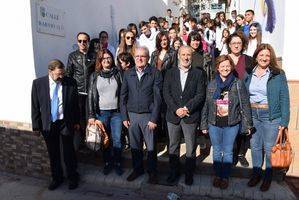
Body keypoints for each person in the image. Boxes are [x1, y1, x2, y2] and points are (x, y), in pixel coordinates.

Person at [201, 55, 253, 190]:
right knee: (217, 151)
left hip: (232, 124)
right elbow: (206, 105)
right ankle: (217, 175)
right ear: (217, 68)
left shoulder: (237, 83)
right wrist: (204, 124)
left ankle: (225, 177)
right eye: (222, 66)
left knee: (228, 151)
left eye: (227, 66)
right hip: (214, 123)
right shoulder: (212, 84)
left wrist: (248, 124)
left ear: (231, 67)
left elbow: (245, 104)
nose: (225, 68)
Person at [247, 44, 290, 192]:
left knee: (269, 148)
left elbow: (284, 97)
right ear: (256, 56)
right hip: (253, 114)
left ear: (270, 57)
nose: (264, 58)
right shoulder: (249, 73)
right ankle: (256, 174)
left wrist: (284, 121)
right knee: (255, 147)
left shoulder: (278, 73)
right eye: (261, 55)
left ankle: (267, 177)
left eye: (267, 55)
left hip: (270, 116)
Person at [31, 59, 80, 190]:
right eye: (59, 74)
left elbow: (75, 104)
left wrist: (76, 121)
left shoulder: (70, 82)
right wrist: (36, 126)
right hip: (49, 124)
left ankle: (72, 177)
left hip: (65, 122)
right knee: (53, 153)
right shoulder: (38, 84)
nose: (61, 76)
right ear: (50, 71)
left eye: (62, 73)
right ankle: (56, 178)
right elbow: (35, 106)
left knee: (69, 152)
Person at [163, 45, 206, 185]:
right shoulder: (170, 73)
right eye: (183, 55)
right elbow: (166, 93)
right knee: (173, 147)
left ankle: (189, 173)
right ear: (178, 56)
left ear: (192, 57)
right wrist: (176, 109)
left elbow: (200, 94)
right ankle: (173, 172)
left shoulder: (198, 74)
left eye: (189, 55)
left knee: (190, 147)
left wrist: (187, 108)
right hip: (173, 116)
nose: (186, 57)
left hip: (190, 116)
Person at [120, 46, 163, 184]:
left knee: (150, 148)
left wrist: (154, 118)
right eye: (137, 56)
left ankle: (152, 173)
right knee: (134, 146)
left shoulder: (155, 73)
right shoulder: (128, 74)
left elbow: (158, 98)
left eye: (142, 56)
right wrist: (124, 117)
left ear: (148, 58)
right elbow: (123, 96)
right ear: (134, 58)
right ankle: (137, 169)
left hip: (148, 117)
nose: (139, 58)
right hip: (132, 116)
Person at [88, 49, 123, 176]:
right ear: (100, 61)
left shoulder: (118, 73)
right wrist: (91, 115)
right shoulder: (94, 75)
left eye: (108, 57)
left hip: (117, 113)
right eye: (103, 58)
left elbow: (123, 93)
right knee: (105, 140)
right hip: (101, 113)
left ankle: (118, 163)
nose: (106, 60)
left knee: (117, 139)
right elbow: (91, 96)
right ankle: (108, 163)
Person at [226, 31, 254, 167]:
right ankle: (232, 152)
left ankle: (241, 153)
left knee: (243, 127)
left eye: (239, 43)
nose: (236, 45)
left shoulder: (248, 59)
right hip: (229, 99)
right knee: (231, 127)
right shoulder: (225, 59)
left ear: (243, 45)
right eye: (233, 43)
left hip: (245, 98)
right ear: (229, 45)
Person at [66, 32, 95, 146]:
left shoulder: (94, 55)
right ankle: (81, 139)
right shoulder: (72, 56)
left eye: (85, 41)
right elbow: (69, 73)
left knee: (90, 116)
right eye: (80, 41)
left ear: (88, 42)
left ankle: (91, 140)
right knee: (78, 117)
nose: (82, 43)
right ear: (77, 42)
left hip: (91, 91)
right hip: (78, 91)